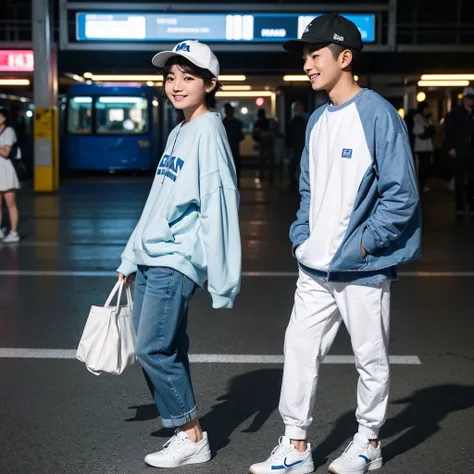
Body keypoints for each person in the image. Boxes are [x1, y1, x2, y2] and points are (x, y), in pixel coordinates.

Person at [249, 13, 421, 474]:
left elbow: (401, 195)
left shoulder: (379, 115)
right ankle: (296, 446)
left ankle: (368, 441)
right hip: (314, 267)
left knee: (370, 358)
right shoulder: (318, 120)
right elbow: (307, 189)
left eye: (315, 54)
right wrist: (302, 237)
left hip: (361, 267)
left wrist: (363, 247)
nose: (307, 63)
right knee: (299, 350)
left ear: (345, 58)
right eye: (304, 55)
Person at [117, 40, 241, 469]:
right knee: (165, 347)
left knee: (153, 348)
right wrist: (131, 258)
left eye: (188, 77)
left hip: (176, 259)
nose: (177, 85)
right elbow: (157, 199)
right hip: (153, 257)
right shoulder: (179, 130)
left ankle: (192, 437)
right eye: (171, 77)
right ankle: (185, 432)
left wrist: (222, 277)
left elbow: (220, 200)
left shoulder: (208, 131)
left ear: (210, 84)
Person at [445, 86, 474, 215]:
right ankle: (460, 207)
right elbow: (449, 131)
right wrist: (451, 147)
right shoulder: (455, 114)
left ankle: (471, 204)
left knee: (472, 179)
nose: (470, 101)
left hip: (472, 151)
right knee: (460, 179)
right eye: (468, 98)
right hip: (459, 150)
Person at [0, 108, 20, 243]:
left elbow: (6, 152)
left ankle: (13, 232)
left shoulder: (9, 132)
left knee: (10, 203)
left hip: (5, 170)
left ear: (4, 118)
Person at [412, 101, 435, 192]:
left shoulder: (427, 119)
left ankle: (424, 184)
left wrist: (428, 130)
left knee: (427, 167)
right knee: (421, 167)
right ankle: (420, 185)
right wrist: (428, 130)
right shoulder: (417, 118)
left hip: (427, 147)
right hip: (420, 148)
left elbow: (432, 130)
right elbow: (421, 132)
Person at [222, 103, 245, 188]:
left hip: (228, 149)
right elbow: (241, 136)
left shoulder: (223, 124)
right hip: (234, 148)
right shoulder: (237, 123)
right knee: (235, 167)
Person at [285, 102, 307, 186]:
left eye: (299, 109)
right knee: (293, 164)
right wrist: (289, 146)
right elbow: (288, 136)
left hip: (302, 147)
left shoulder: (305, 122)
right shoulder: (291, 123)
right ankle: (292, 179)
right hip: (295, 148)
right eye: (296, 109)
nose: (297, 111)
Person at [252, 108, 277, 181]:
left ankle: (262, 173)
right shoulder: (269, 121)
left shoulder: (257, 122)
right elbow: (273, 131)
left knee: (262, 159)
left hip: (261, 142)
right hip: (269, 141)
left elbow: (255, 133)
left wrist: (259, 137)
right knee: (270, 158)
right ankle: (270, 174)